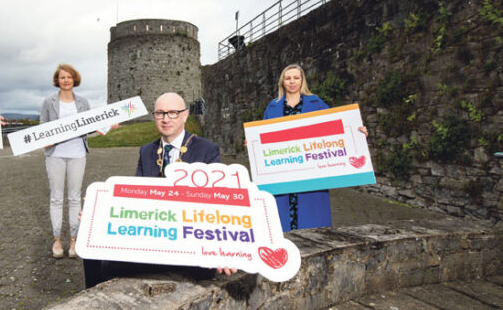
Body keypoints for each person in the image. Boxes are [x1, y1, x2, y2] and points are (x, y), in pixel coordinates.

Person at [85, 92, 234, 288]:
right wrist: (99, 212)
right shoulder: (146, 150)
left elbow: (220, 204)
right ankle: (94, 307)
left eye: (173, 113)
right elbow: (136, 198)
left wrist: (223, 249)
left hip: (189, 241)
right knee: (92, 247)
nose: (165, 119)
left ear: (185, 115)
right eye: (160, 113)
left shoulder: (207, 150)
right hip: (154, 237)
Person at [262, 64, 367, 232]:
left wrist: (356, 131)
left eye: (296, 78)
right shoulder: (272, 107)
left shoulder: (316, 102)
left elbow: (336, 127)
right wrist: (253, 144)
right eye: (288, 78)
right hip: (284, 170)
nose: (292, 82)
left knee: (311, 220)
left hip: (310, 170)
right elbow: (263, 137)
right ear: (282, 81)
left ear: (302, 80)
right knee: (281, 222)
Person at [41, 64, 91, 259]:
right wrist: (45, 141)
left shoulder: (84, 102)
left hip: (78, 153)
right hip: (55, 154)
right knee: (56, 197)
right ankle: (57, 239)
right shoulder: (48, 102)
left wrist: (108, 126)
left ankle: (74, 239)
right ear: (57, 80)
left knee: (74, 198)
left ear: (74, 79)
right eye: (62, 77)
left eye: (69, 77)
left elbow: (91, 125)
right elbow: (42, 128)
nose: (66, 80)